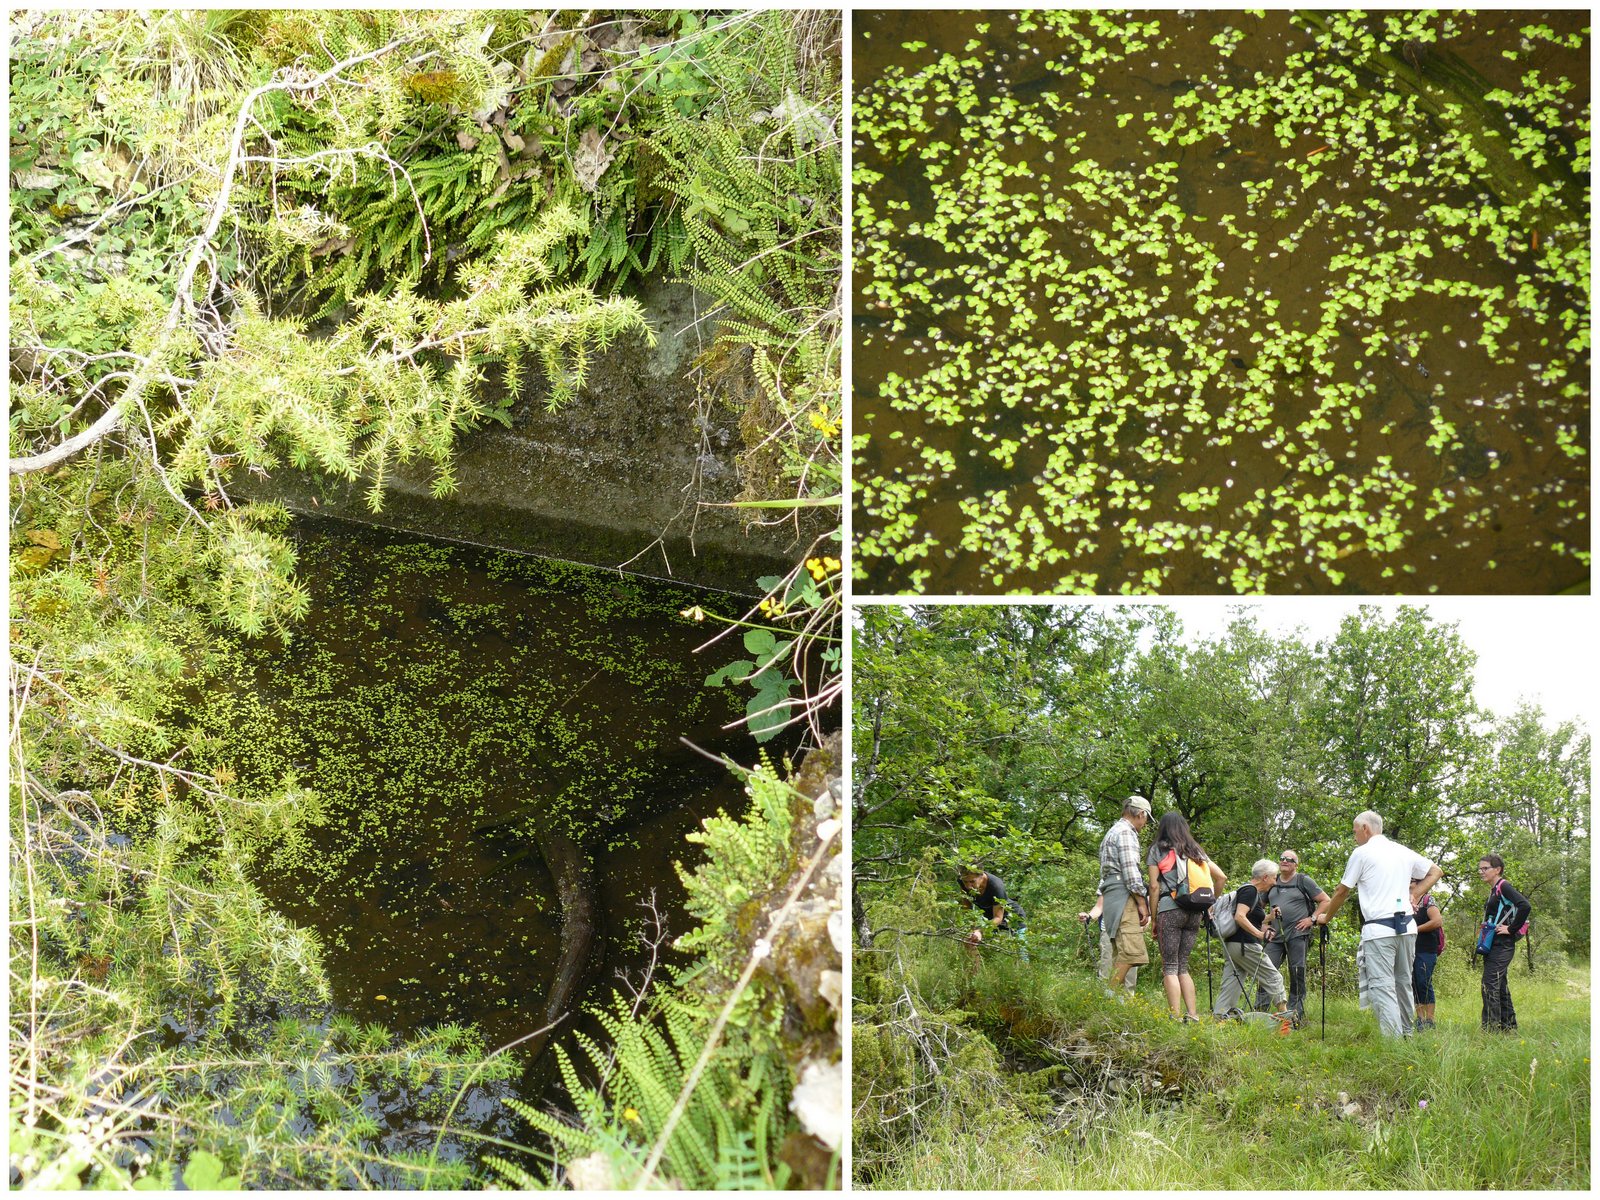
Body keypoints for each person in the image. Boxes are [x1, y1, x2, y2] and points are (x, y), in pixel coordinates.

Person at [1314, 810, 1442, 1038]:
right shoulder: (1401, 851)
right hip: (1407, 928)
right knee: (1403, 982)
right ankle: (1406, 1034)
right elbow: (1435, 871)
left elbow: (1342, 891)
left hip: (1379, 930)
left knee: (1383, 986)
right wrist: (1415, 894)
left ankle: (1394, 1043)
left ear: (1365, 828)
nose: (1355, 837)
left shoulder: (1362, 853)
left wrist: (1326, 917)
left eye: (1355, 832)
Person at [1144, 812, 1226, 1022]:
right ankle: (1193, 1014)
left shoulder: (1158, 849)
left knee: (1170, 966)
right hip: (1194, 913)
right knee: (1183, 965)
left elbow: (1154, 886)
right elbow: (1221, 877)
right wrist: (1209, 904)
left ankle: (1175, 1016)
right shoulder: (1195, 850)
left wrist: (1154, 918)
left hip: (1169, 910)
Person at [1257, 850, 1329, 1021]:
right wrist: (1264, 923)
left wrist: (1311, 919)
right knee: (1266, 971)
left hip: (1298, 934)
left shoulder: (1303, 881)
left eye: (1290, 859)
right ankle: (1261, 1013)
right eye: (1282, 858)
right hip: (1274, 937)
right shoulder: (1273, 882)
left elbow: (1326, 900)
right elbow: (1257, 905)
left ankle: (1295, 1016)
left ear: (1296, 864)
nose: (1285, 861)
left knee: (1296, 973)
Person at [1214, 859, 1287, 1018]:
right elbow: (1239, 917)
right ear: (1265, 877)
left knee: (1232, 981)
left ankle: (1220, 1016)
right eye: (1274, 877)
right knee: (1273, 977)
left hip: (1233, 944)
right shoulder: (1250, 891)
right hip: (1245, 945)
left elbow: (1251, 918)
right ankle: (1285, 1018)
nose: (1275, 882)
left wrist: (1269, 917)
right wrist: (1260, 934)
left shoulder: (1247, 891)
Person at [1097, 795, 1152, 992]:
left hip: (1111, 895)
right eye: (1146, 819)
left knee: (1118, 952)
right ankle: (1107, 995)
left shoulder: (1112, 832)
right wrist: (1142, 903)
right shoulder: (1126, 833)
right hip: (1123, 894)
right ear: (1141, 814)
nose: (1145, 824)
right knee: (1133, 952)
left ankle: (1113, 1000)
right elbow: (1130, 872)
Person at [1476, 854, 1531, 1032]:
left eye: (1485, 868)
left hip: (1503, 944)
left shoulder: (1504, 886)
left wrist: (1511, 928)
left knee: (1489, 984)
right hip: (1493, 943)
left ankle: (1491, 1029)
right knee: (1500, 985)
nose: (1481, 871)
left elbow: (1525, 905)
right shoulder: (1494, 889)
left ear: (1497, 869)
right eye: (1480, 868)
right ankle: (1509, 1027)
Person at [958, 865, 1027, 963]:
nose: (968, 886)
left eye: (972, 881)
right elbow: (967, 907)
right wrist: (972, 929)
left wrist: (980, 931)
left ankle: (1024, 972)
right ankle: (975, 974)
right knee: (969, 941)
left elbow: (998, 917)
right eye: (965, 882)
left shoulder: (996, 886)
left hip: (1013, 917)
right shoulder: (962, 880)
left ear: (981, 876)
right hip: (989, 919)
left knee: (1021, 953)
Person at [1079, 889, 1137, 991]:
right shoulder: (1106, 879)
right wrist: (1089, 916)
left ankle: (1128, 1003)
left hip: (1131, 931)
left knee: (1130, 972)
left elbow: (1144, 907)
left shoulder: (1136, 876)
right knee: (1107, 968)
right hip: (1109, 930)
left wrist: (1145, 923)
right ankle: (1104, 1000)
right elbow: (1099, 906)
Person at [1412, 890, 1443, 1030]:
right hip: (1410, 948)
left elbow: (1437, 921)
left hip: (1427, 949)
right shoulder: (1405, 900)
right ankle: (1420, 1019)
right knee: (1414, 984)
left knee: (1424, 981)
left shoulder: (1427, 900)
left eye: (1412, 880)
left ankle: (1430, 1020)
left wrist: (1415, 929)